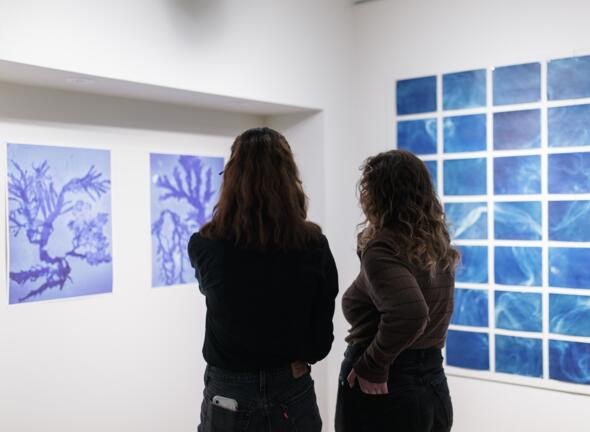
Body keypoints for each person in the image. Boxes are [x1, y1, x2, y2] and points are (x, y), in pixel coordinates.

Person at [189, 127, 338, 432]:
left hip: (228, 393)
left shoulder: (205, 245)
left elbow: (215, 293)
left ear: (231, 177)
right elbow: (321, 334)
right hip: (290, 386)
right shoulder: (313, 245)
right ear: (288, 178)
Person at [336, 150, 458, 432]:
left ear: (379, 194)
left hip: (388, 386)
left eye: (366, 187)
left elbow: (411, 313)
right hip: (432, 382)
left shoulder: (383, 247)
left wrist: (372, 364)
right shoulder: (434, 243)